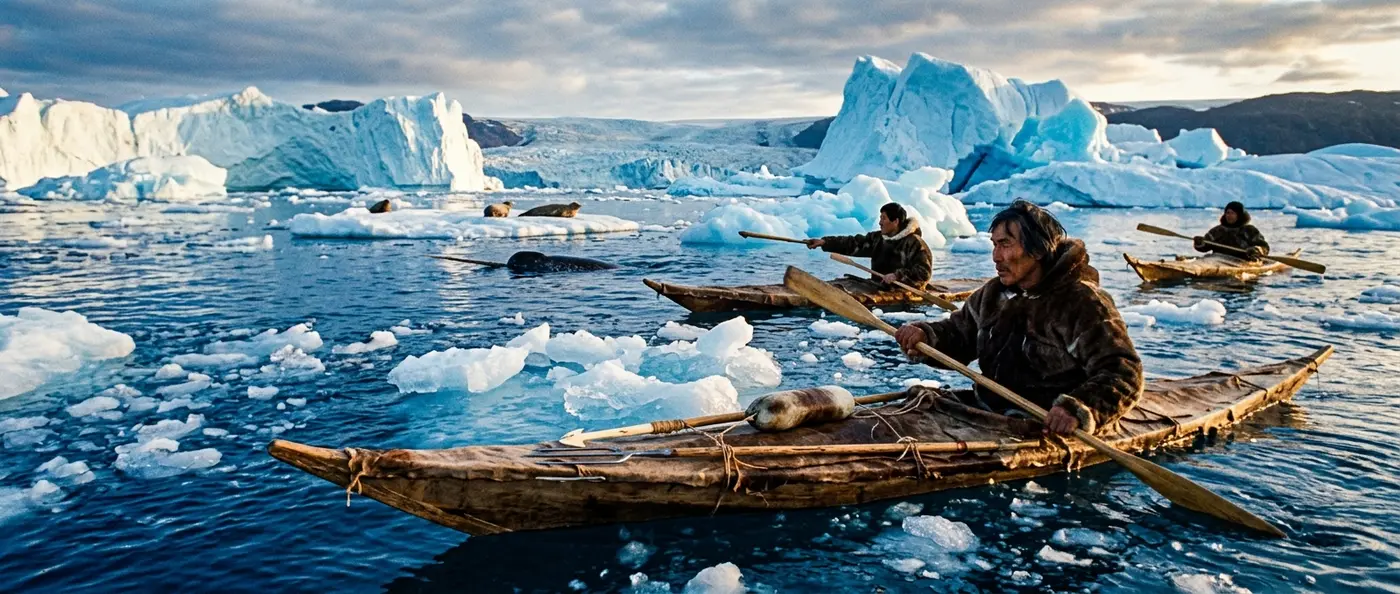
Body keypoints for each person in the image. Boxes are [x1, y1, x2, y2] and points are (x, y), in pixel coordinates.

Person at [893, 200, 1143, 436]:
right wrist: (926, 336)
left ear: (1037, 250)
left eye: (1005, 244)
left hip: (1044, 423)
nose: (995, 256)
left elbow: (1123, 372)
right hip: (988, 413)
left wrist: (1077, 409)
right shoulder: (992, 295)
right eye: (994, 244)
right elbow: (959, 334)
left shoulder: (1082, 303)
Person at [804, 203, 933, 289]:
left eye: (884, 218)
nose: (880, 222)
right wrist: (825, 242)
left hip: (903, 292)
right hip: (877, 287)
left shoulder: (914, 243)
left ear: (895, 221)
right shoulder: (878, 239)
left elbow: (924, 273)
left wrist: (897, 276)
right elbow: (853, 243)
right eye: (880, 218)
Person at [1194, 201, 1269, 260]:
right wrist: (1199, 243)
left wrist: (1255, 251)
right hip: (1217, 260)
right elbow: (1204, 247)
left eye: (1232, 213)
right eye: (1227, 213)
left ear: (1239, 215)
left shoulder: (1249, 230)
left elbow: (1264, 247)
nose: (1229, 216)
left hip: (1242, 262)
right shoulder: (1217, 230)